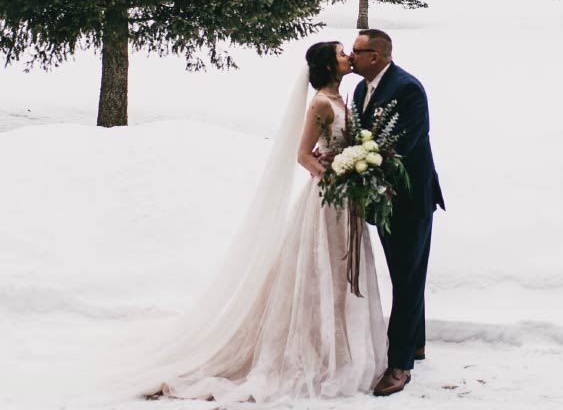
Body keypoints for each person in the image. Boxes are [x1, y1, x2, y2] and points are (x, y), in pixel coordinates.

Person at [117, 41, 385, 403]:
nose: (347, 57)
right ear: (327, 66)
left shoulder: (343, 99)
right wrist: (334, 175)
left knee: (339, 273)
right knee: (319, 272)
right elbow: (303, 156)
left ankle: (341, 344)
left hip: (346, 200)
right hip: (327, 201)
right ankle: (314, 350)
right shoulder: (321, 102)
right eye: (341, 53)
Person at [351, 28, 445, 397]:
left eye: (357, 51)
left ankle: (400, 364)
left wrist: (359, 163)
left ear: (376, 55)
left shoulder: (408, 88)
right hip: (382, 199)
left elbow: (406, 142)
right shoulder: (361, 90)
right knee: (406, 274)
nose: (352, 57)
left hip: (410, 198)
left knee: (406, 280)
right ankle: (416, 343)